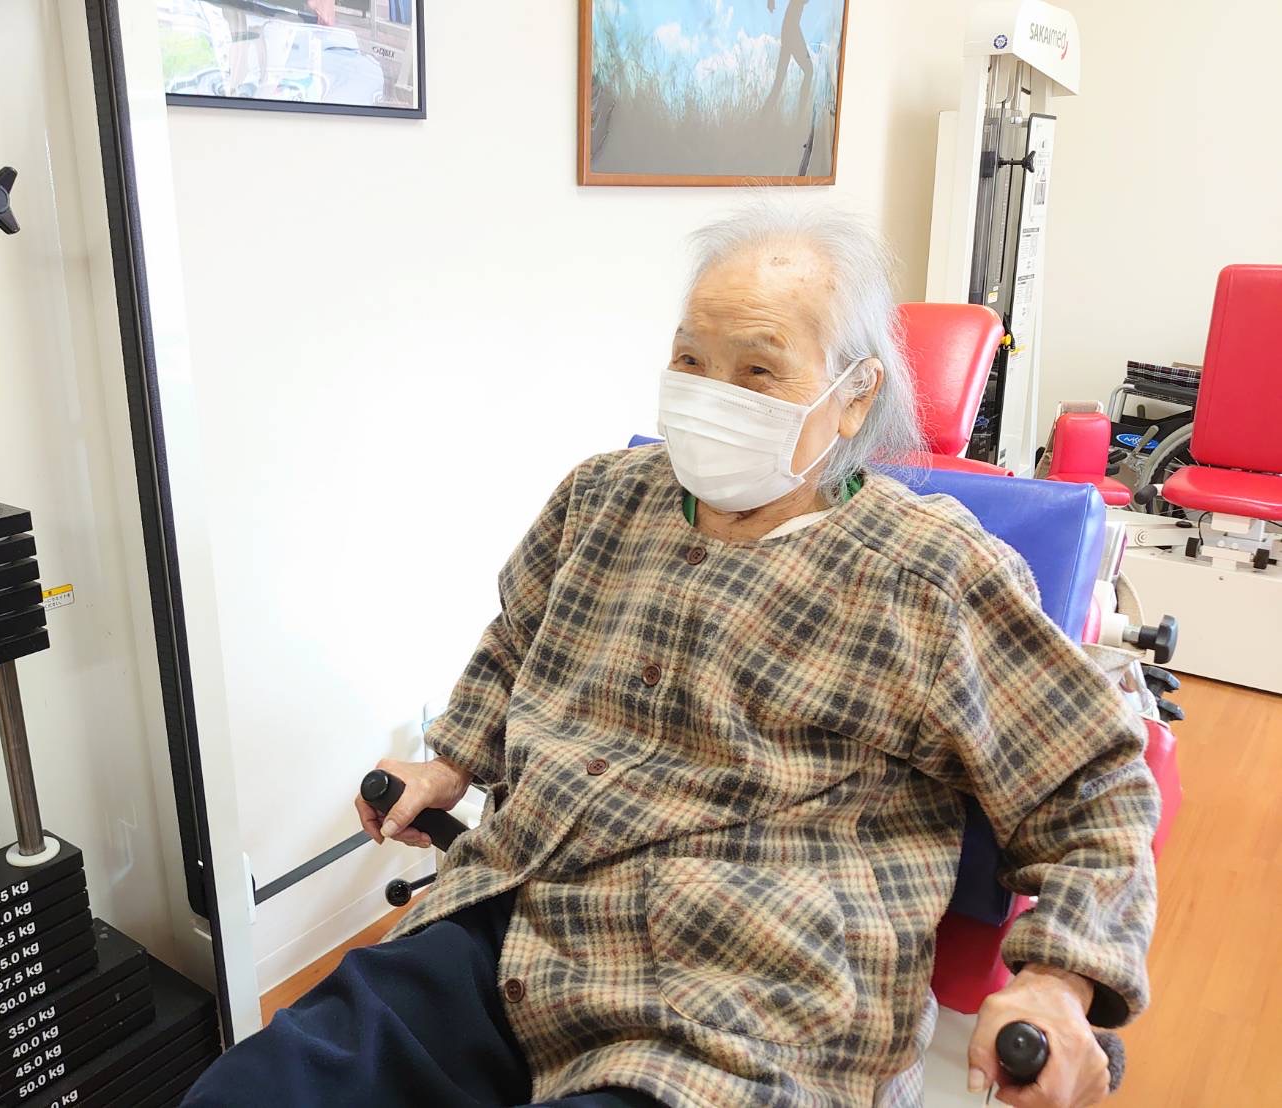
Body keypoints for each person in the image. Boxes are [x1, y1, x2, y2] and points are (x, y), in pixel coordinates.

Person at [183, 206, 1159, 1108]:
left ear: (853, 397)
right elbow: (518, 639)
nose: (709, 395)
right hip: (518, 919)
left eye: (757, 372)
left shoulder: (931, 572)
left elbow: (1094, 782)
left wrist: (1059, 977)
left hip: (747, 1005)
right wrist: (449, 764)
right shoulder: (601, 500)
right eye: (690, 359)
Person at [764, 0, 812, 114]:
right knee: (809, 71)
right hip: (792, 30)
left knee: (779, 80)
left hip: (788, 29)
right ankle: (800, 117)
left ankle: (764, 115)